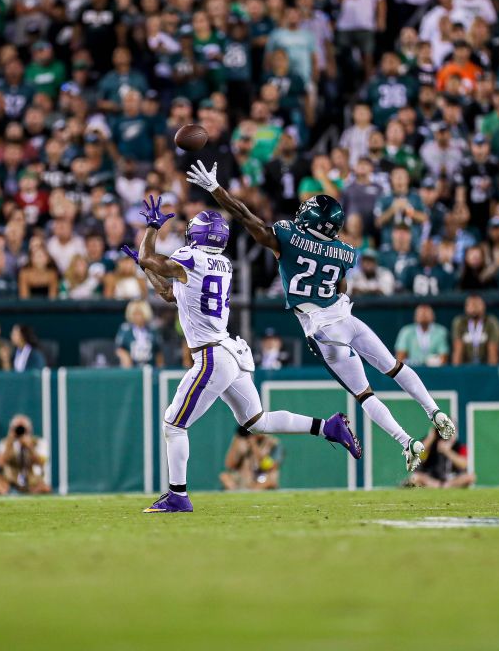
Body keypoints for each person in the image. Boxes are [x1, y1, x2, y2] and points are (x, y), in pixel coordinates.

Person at [188, 161, 455, 478]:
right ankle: (433, 410)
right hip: (346, 318)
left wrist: (214, 188)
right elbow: (341, 286)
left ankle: (407, 441)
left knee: (365, 394)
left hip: (322, 331)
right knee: (394, 367)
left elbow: (247, 217)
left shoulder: (288, 236)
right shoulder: (345, 251)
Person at [126, 193, 360, 513]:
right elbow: (169, 292)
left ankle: (178, 494)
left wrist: (151, 230)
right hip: (230, 352)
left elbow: (150, 260)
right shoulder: (222, 264)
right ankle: (326, 427)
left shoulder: (189, 258)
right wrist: (146, 266)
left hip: (212, 354)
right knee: (257, 422)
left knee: (173, 424)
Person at [0, 414, 51, 496]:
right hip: (11, 480)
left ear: (29, 429)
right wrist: (10, 443)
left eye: (23, 428)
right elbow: (0, 463)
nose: (20, 431)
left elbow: (42, 463)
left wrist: (30, 448)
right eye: (17, 428)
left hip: (32, 481)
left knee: (45, 487)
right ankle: (10, 492)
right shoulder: (5, 443)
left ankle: (27, 492)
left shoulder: (39, 443)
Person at [408, 427, 475, 489]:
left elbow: (463, 465)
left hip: (451, 480)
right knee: (415, 478)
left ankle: (445, 486)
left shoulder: (458, 446)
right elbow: (417, 456)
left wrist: (447, 451)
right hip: (431, 478)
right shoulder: (430, 443)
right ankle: (439, 486)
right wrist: (430, 438)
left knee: (470, 477)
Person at [451, 294, 499, 366]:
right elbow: (457, 351)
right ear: (465, 308)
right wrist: (456, 372)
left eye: (477, 304)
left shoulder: (491, 322)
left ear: (484, 306)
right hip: (465, 366)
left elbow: (493, 352)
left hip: (485, 366)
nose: (474, 308)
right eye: (471, 305)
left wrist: (491, 373)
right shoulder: (460, 322)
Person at [115, 299, 163, 368]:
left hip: (150, 368)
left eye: (140, 313)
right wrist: (125, 358)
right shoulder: (125, 330)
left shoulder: (153, 330)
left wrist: (160, 369)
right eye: (135, 314)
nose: (137, 317)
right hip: (131, 369)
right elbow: (119, 348)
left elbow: (158, 352)